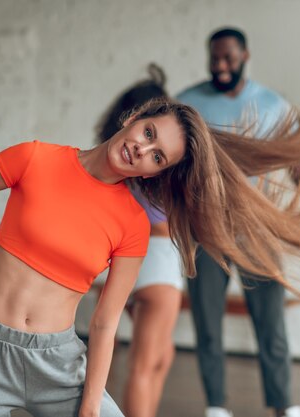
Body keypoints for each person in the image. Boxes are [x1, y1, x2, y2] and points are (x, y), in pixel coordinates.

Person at [0, 93, 300, 415]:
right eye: (148, 134)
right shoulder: (34, 157)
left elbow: (106, 322)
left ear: (155, 173)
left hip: (58, 365)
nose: (142, 150)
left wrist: (90, 402)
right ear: (134, 119)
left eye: (157, 156)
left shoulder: (132, 223)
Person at [177, 27, 300, 417]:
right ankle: (216, 406)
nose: (219, 66)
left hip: (257, 231)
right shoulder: (187, 104)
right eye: (214, 58)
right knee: (208, 326)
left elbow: (298, 165)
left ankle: (283, 404)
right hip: (205, 231)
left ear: (245, 56)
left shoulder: (273, 105)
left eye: (228, 59)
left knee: (271, 325)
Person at [96, 63, 182, 417]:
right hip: (157, 261)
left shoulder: (119, 161)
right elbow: (160, 226)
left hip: (138, 265)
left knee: (162, 355)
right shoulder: (145, 170)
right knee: (145, 365)